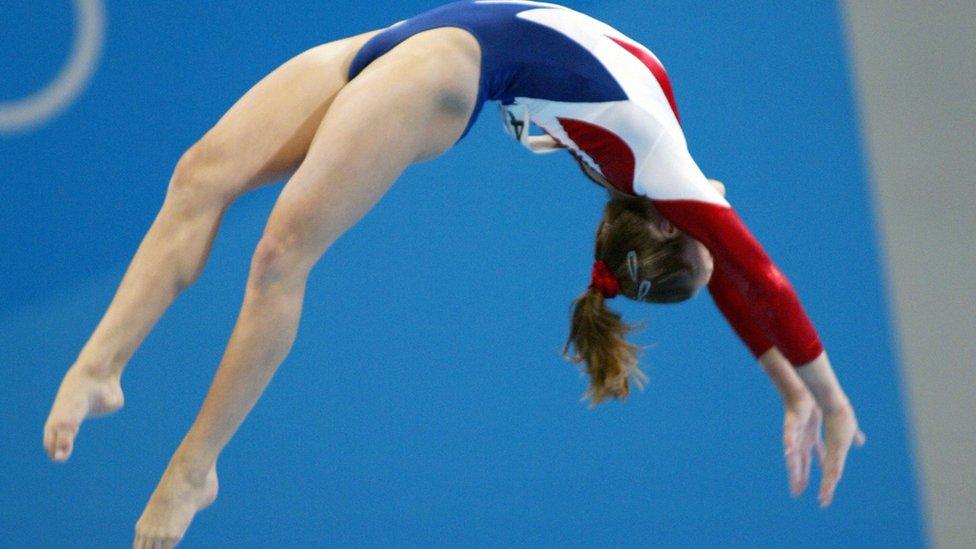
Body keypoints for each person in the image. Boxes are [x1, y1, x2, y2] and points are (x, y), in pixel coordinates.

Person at [42, 1, 865, 546]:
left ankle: (195, 467)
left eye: (701, 229)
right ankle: (102, 364)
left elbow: (760, 280)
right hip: (403, 40)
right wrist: (787, 387)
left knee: (281, 251)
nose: (719, 207)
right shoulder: (650, 166)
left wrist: (825, 394)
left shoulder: (660, 164)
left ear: (668, 224)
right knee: (200, 174)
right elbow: (730, 281)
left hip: (441, 73)